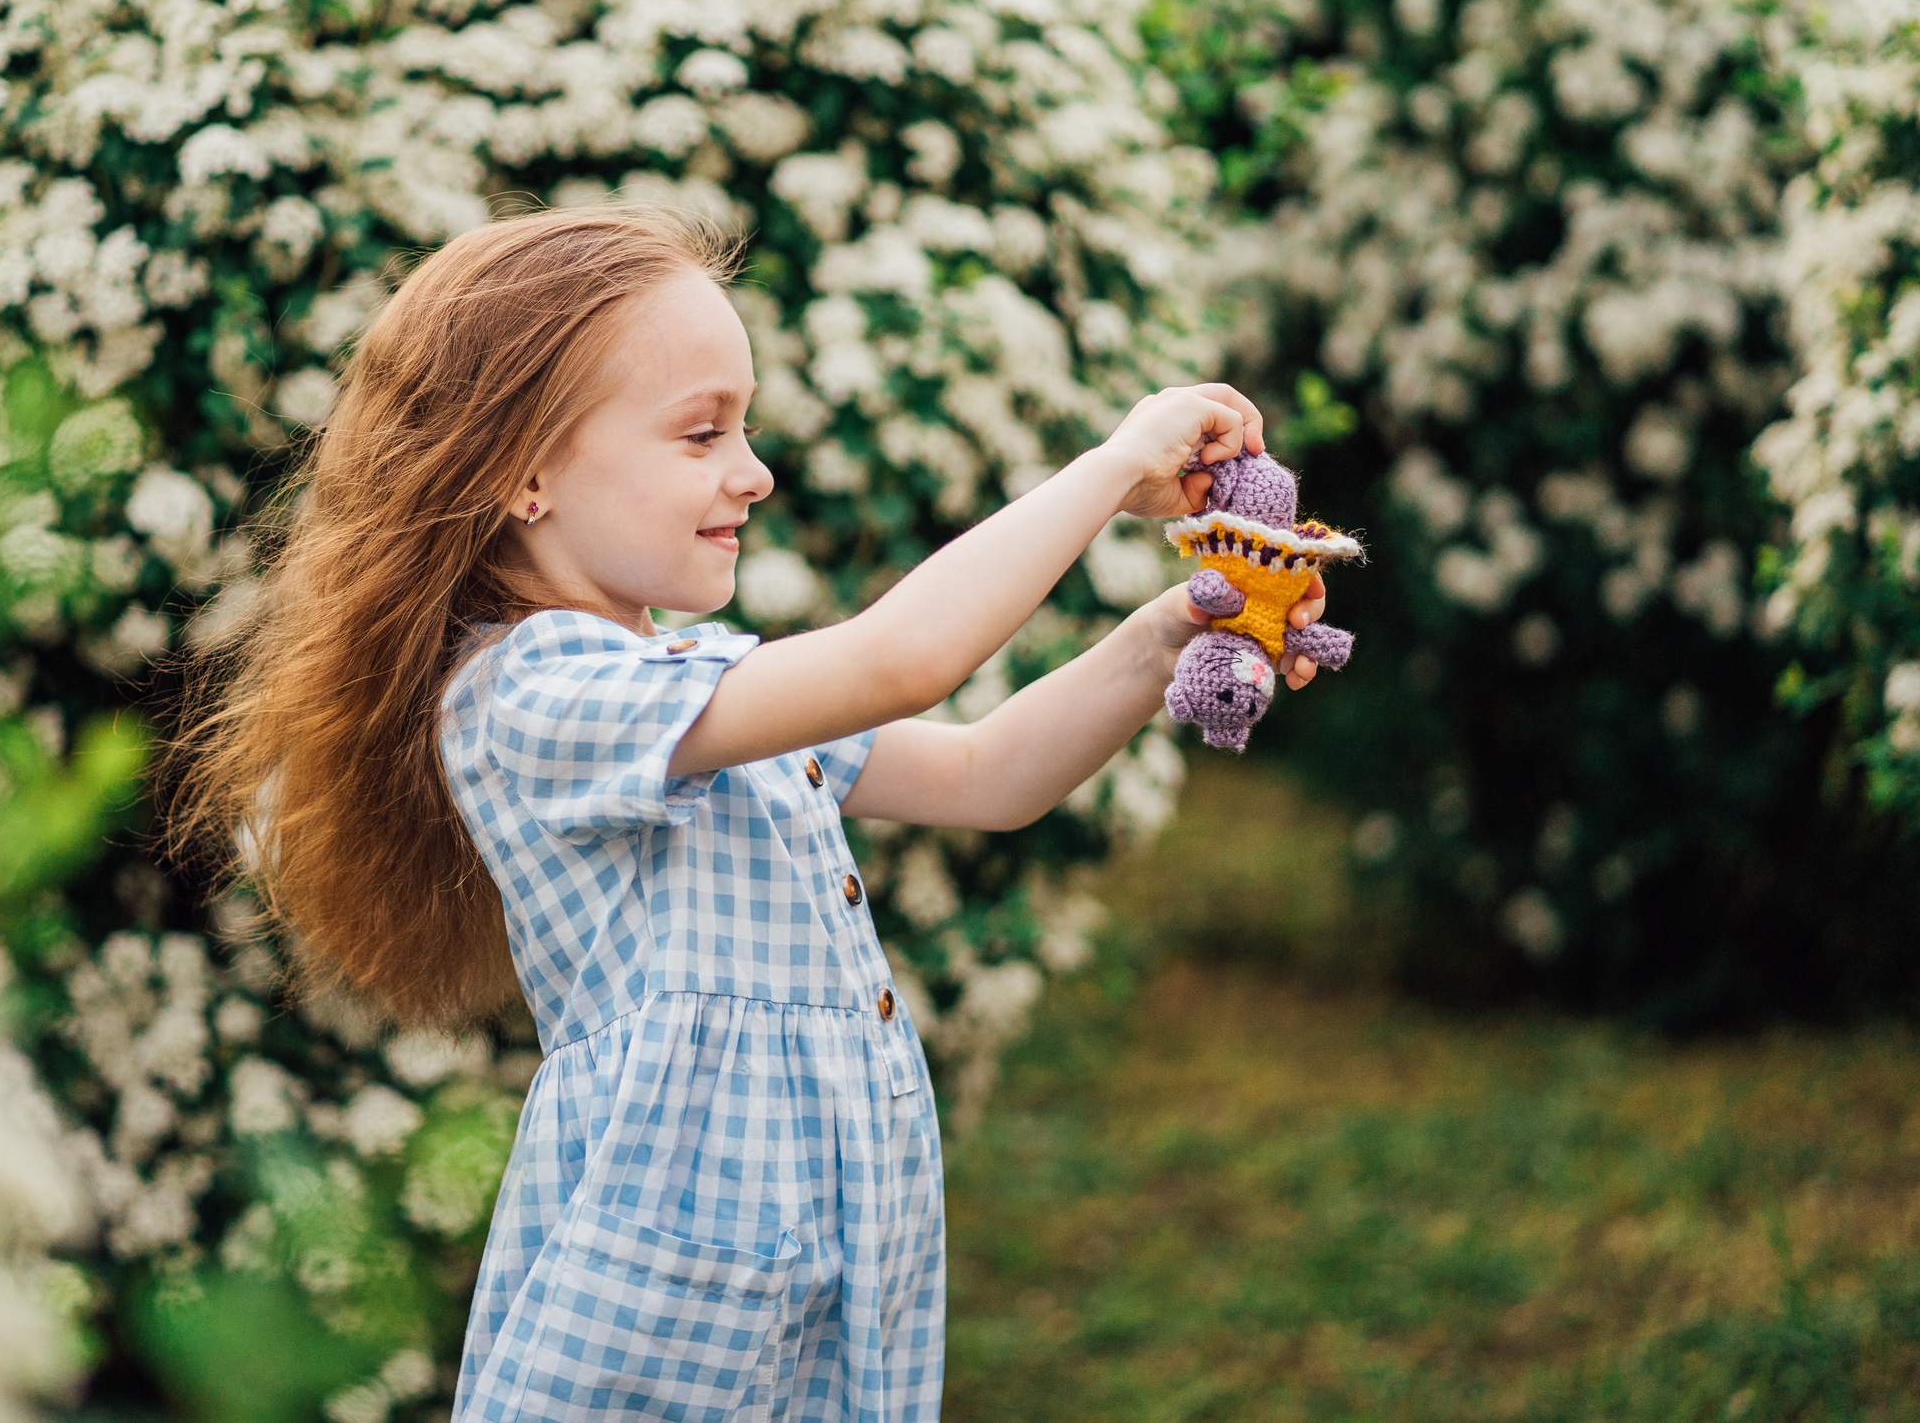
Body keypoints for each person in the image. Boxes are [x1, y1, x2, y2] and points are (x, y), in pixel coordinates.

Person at [180, 205, 1333, 1423]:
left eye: (745, 426)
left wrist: (1168, 632)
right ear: (521, 472)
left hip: (820, 1253)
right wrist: (1109, 469)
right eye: (701, 432)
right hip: (671, 1290)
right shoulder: (535, 693)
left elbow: (988, 775)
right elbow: (904, 659)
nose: (754, 470)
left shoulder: (688, 681)